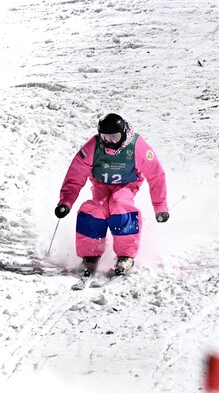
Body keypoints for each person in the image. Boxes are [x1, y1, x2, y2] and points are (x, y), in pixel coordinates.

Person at [54, 113, 169, 276]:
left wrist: (160, 207)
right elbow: (75, 175)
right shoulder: (93, 147)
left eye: (114, 137)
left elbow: (156, 175)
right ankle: (91, 254)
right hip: (101, 185)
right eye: (105, 137)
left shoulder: (137, 147)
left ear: (123, 134)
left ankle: (126, 255)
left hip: (127, 185)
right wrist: (66, 202)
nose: (109, 142)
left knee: (119, 204)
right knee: (94, 209)